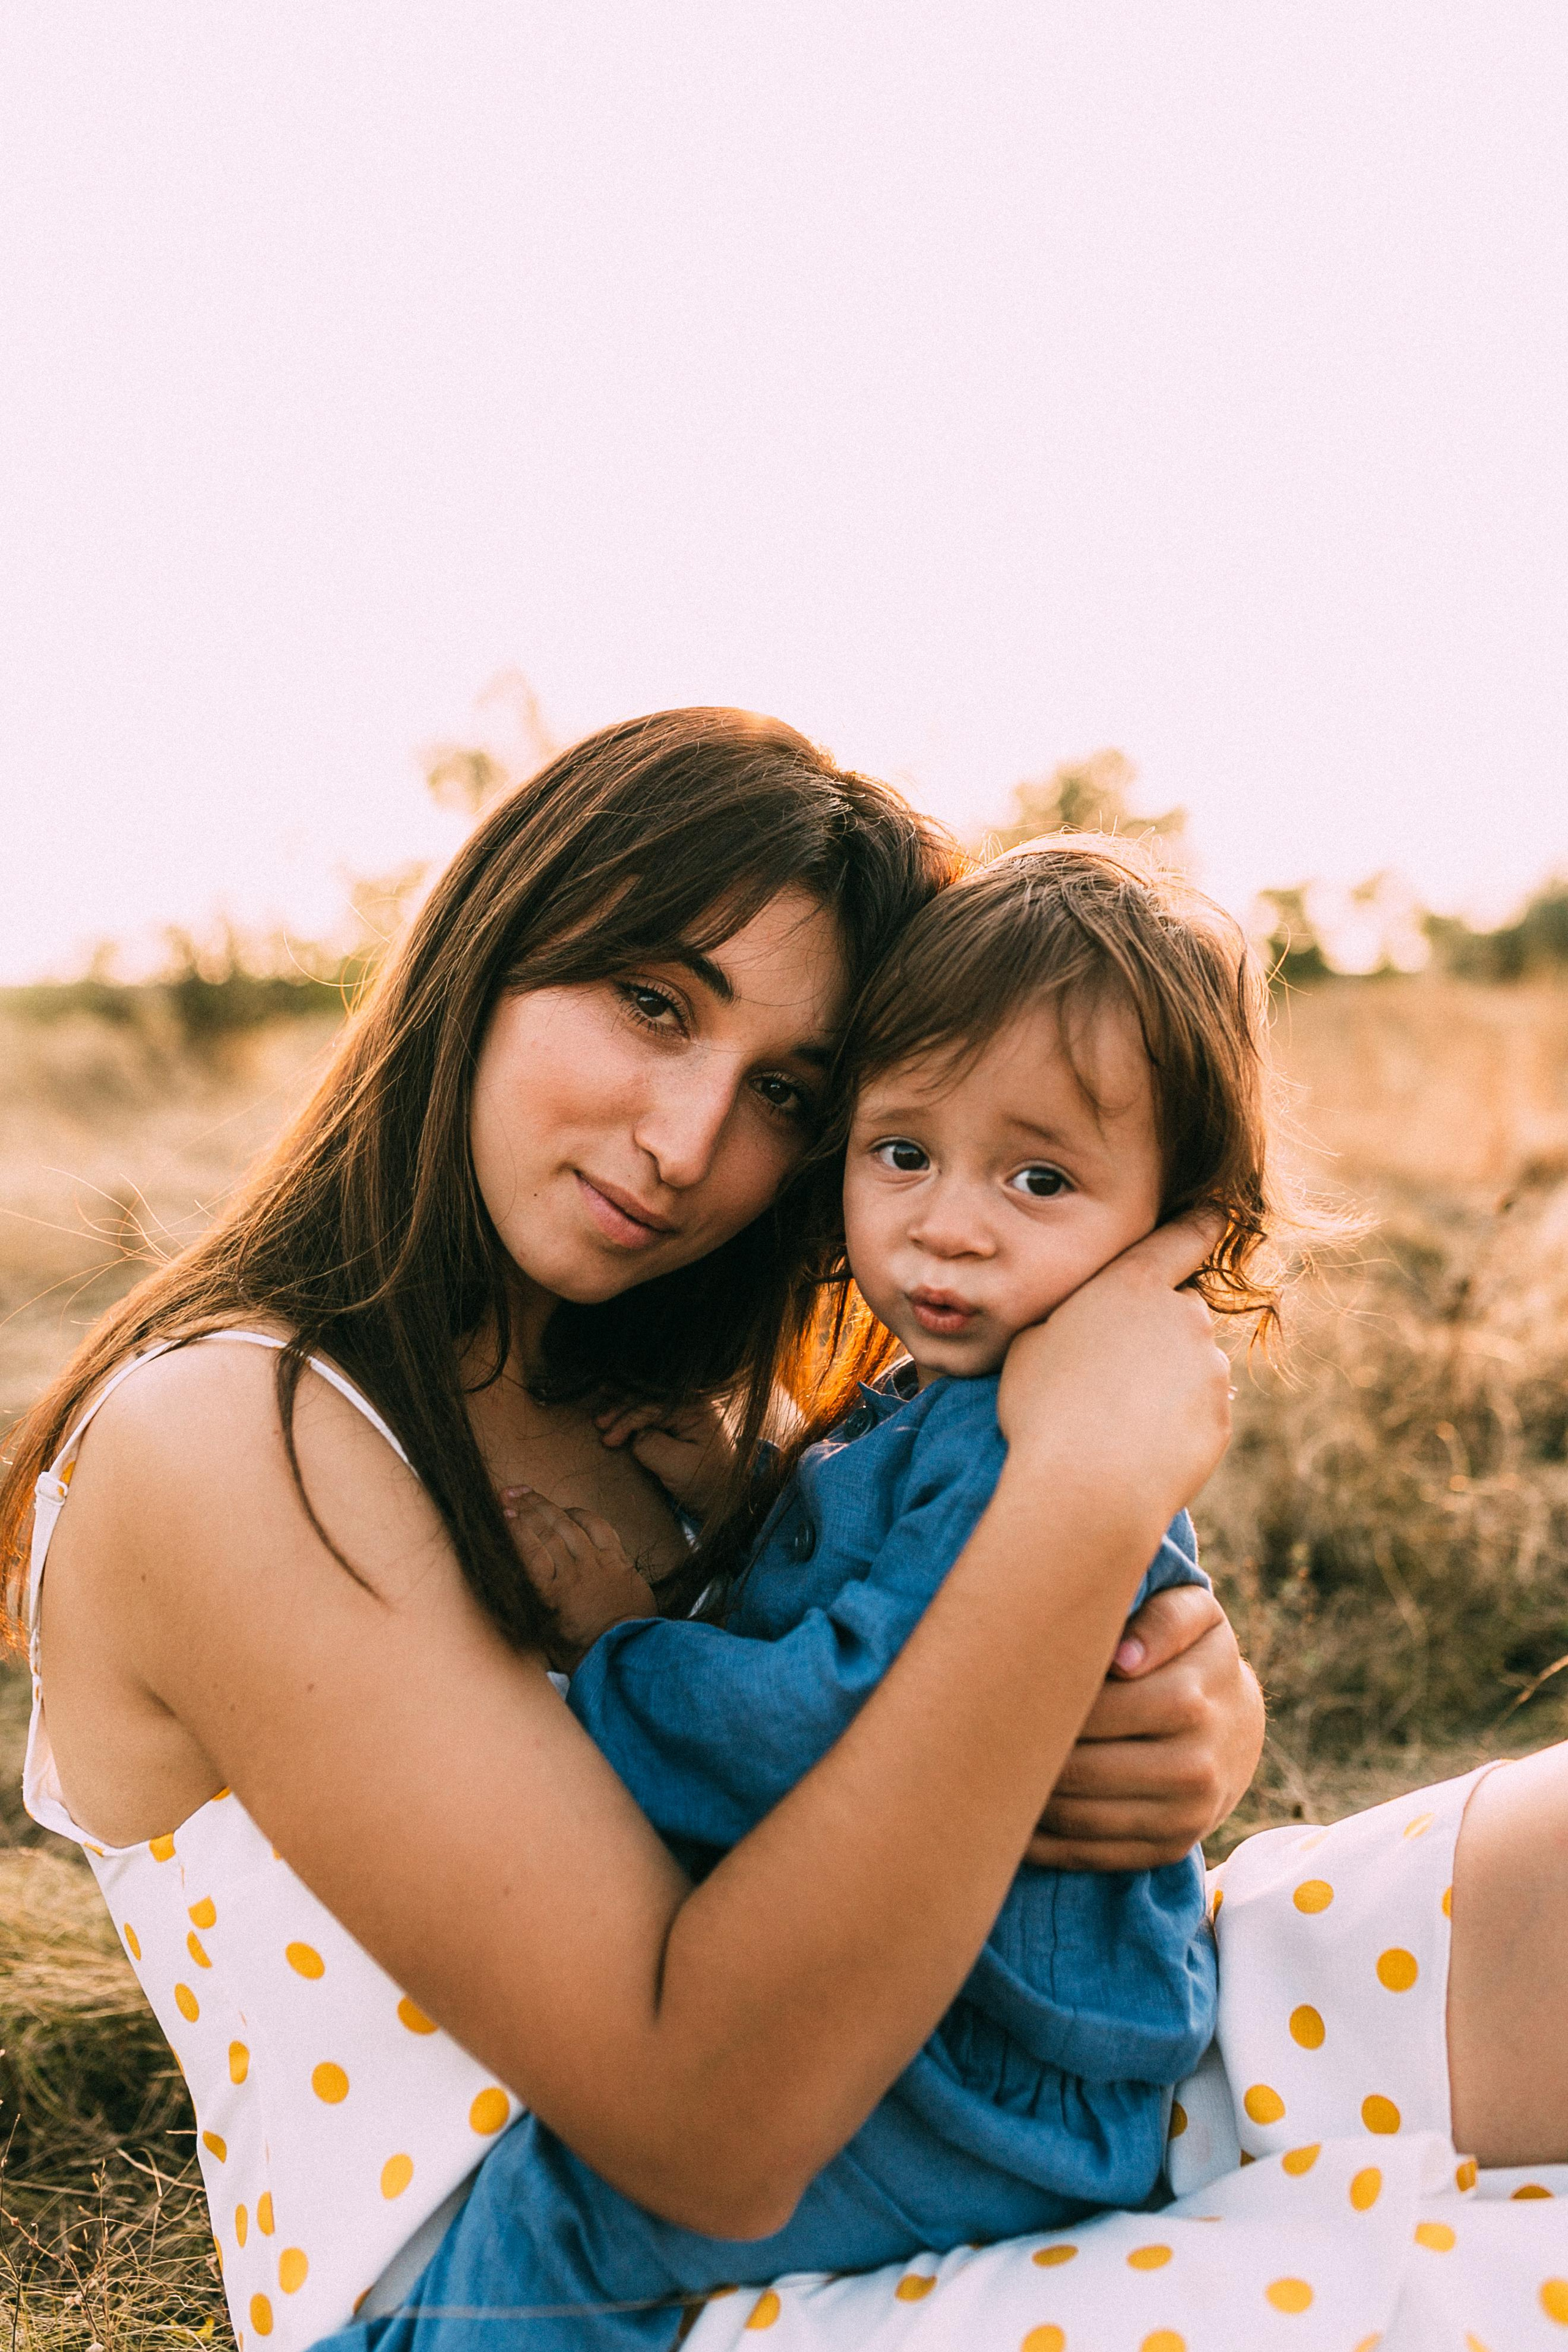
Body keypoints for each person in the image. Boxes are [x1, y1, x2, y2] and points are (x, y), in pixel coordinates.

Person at [1, 711, 1260, 2352]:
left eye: (787, 1093)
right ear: (495, 940)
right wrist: (1080, 1502)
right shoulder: (227, 1442)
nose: (686, 1146)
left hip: (905, 2122)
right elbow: (711, 2128)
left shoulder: (707, 1433)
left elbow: (914, 1755)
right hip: (544, 2289)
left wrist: (1175, 1709)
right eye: (653, 1003)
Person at [330, 839, 1278, 2350]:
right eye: (901, 1152)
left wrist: (608, 1653)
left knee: (577, 2216)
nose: (949, 1223)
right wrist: (734, 1495)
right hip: (958, 2044)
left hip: (985, 2075)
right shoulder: (936, 1402)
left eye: (1038, 1178)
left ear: (1176, 1226)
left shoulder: (1020, 1438)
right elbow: (867, 1572)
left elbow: (820, 1714)